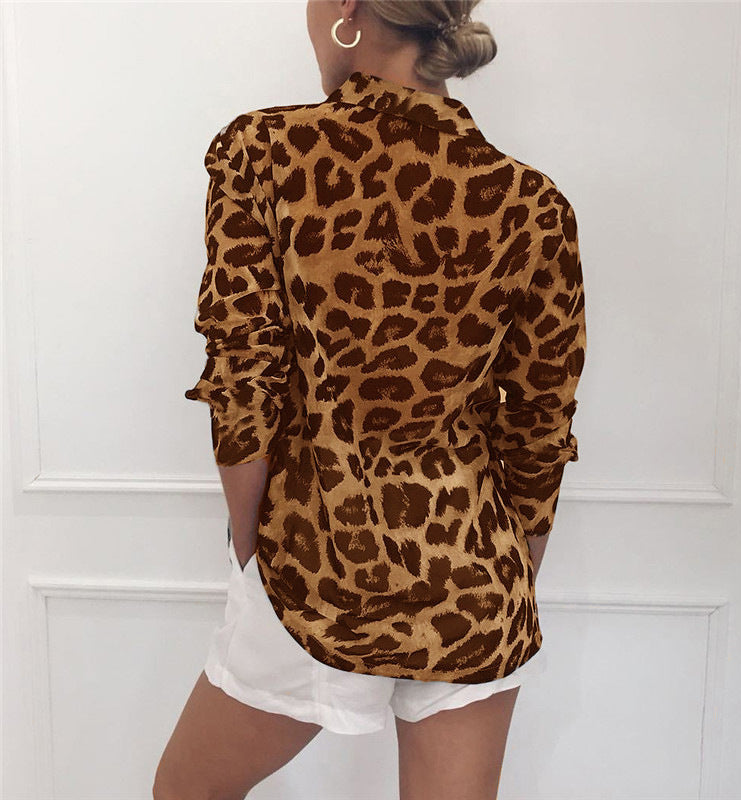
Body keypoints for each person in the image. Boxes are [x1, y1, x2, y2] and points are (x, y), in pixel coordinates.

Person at [154, 0, 587, 797]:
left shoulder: (265, 151)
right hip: (475, 582)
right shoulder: (532, 203)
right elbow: (539, 424)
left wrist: (252, 556)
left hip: (312, 566)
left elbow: (245, 376)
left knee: (185, 793)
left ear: (348, 8)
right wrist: (510, 575)